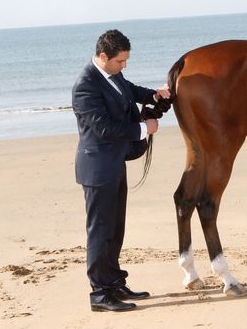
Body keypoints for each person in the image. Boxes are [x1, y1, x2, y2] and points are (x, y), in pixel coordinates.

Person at [72, 29, 170, 312]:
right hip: (97, 168)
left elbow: (129, 92)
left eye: (125, 61)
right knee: (100, 232)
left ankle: (114, 283)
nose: (123, 66)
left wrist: (154, 94)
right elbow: (103, 128)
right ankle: (100, 295)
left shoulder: (112, 75)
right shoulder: (85, 85)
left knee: (115, 229)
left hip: (114, 164)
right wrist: (144, 129)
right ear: (104, 56)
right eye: (120, 62)